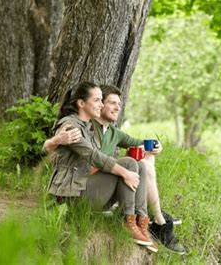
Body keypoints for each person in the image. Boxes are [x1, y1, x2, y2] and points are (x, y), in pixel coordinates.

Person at [45, 84, 185, 255]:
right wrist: (124, 172)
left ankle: (140, 222)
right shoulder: (71, 126)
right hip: (70, 199)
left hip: (85, 190)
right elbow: (94, 156)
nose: (101, 104)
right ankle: (128, 220)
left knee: (138, 164)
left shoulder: (87, 126)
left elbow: (129, 145)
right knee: (128, 164)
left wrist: (153, 147)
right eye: (97, 100)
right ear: (81, 103)